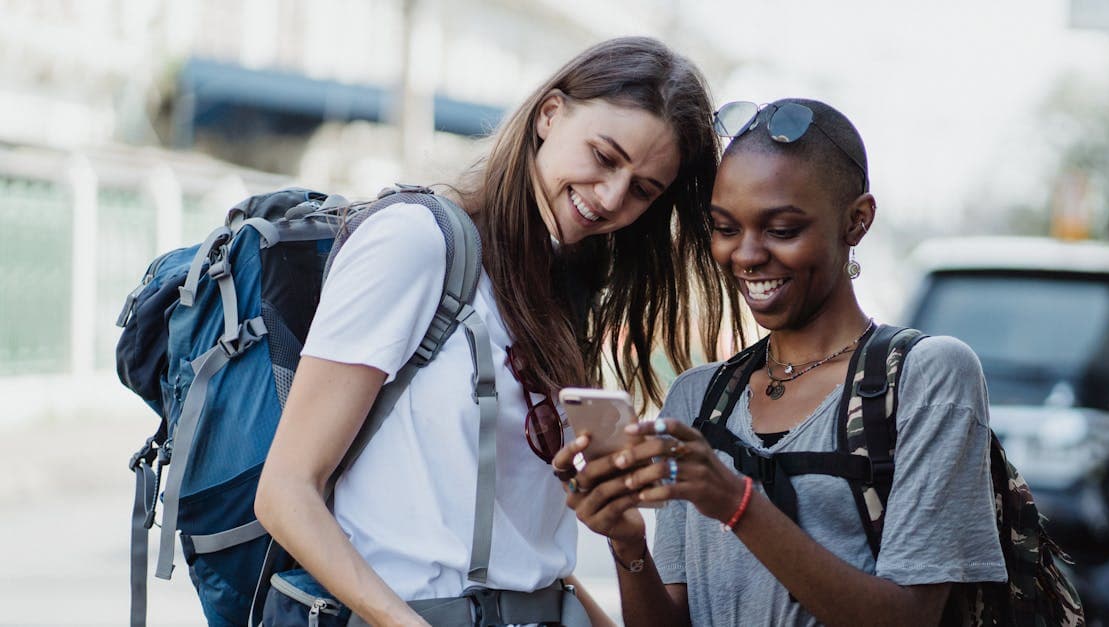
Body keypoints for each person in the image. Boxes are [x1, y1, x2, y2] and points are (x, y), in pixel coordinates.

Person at [254, 37, 742, 626]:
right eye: (604, 157)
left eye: (643, 190)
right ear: (549, 115)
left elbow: (526, 554)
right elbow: (285, 492)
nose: (612, 197)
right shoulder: (417, 242)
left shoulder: (558, 293)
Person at [556, 98, 1007, 626]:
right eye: (726, 228)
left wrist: (737, 503)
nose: (746, 255)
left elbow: (908, 618)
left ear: (857, 221)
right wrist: (626, 544)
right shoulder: (698, 399)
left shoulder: (924, 377)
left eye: (782, 230)